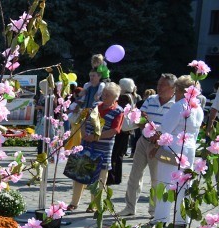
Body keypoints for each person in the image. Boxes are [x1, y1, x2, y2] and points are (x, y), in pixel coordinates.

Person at [118, 74, 176, 216]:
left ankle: (153, 211)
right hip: (144, 141)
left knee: (156, 179)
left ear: (172, 88)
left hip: (159, 145)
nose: (159, 87)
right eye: (158, 84)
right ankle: (129, 207)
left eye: (162, 85)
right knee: (134, 175)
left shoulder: (175, 105)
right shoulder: (150, 99)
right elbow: (140, 119)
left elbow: (172, 127)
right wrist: (144, 122)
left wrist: (158, 136)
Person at [150, 75, 204, 226]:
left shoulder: (178, 106)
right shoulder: (198, 108)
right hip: (189, 149)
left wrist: (154, 133)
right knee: (185, 184)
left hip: (172, 148)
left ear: (179, 90)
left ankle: (161, 218)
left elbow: (166, 129)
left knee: (165, 183)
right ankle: (183, 218)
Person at [67, 82, 123, 211]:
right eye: (104, 93)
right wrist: (83, 134)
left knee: (99, 178)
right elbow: (83, 120)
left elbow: (114, 130)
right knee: (80, 174)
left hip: (103, 149)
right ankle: (74, 202)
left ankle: (94, 204)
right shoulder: (95, 106)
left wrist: (95, 137)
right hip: (87, 144)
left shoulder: (118, 111)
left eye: (108, 95)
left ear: (115, 97)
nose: (105, 96)